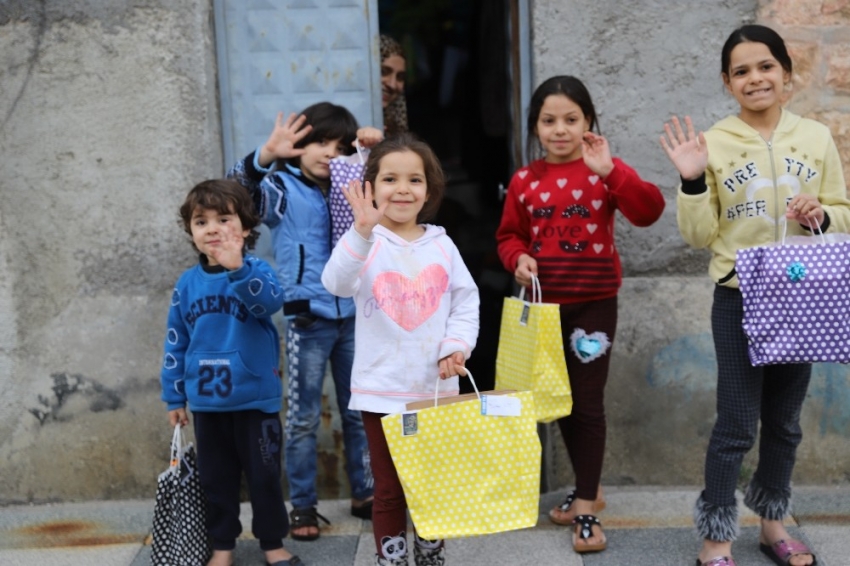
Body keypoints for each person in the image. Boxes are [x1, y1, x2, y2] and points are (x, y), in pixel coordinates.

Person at [660, 24, 850, 566]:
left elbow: (843, 212)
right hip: (740, 297)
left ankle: (772, 524)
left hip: (803, 295)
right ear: (727, 82)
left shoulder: (814, 138)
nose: (755, 78)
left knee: (785, 422)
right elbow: (698, 236)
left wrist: (822, 214)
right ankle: (717, 535)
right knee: (737, 424)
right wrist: (693, 181)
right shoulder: (714, 143)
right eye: (741, 71)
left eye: (765, 66)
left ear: (786, 74)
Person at [496, 75, 665, 554]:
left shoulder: (604, 171)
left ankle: (586, 507)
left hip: (594, 304)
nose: (560, 130)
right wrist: (518, 259)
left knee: (587, 403)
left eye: (571, 119)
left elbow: (649, 211)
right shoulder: (525, 181)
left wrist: (612, 171)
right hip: (543, 310)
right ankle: (588, 491)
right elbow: (509, 236)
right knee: (558, 401)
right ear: (535, 127)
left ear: (589, 122)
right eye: (549, 121)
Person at [321, 133, 480, 566]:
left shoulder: (442, 244)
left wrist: (456, 347)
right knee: (388, 490)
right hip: (381, 389)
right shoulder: (364, 242)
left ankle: (431, 556)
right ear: (370, 186)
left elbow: (465, 302)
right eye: (390, 178)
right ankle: (389, 559)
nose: (403, 189)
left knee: (432, 485)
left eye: (415, 179)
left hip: (434, 390)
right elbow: (336, 283)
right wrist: (360, 230)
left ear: (430, 189)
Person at [227, 103, 383, 541]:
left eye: (339, 145)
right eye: (318, 141)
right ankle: (303, 507)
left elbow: (399, 189)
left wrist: (375, 148)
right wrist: (263, 157)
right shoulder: (280, 188)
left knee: (359, 413)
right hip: (306, 320)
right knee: (302, 419)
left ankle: (365, 493)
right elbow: (238, 196)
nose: (328, 153)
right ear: (298, 146)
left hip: (354, 316)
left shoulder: (357, 184)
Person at [160, 179, 302, 566]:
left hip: (255, 401)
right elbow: (176, 342)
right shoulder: (187, 284)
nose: (213, 229)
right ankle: (222, 545)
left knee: (264, 479)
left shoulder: (258, 270)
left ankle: (272, 543)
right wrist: (175, 396)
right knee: (216, 483)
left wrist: (237, 269)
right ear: (191, 232)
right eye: (201, 221)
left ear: (245, 228)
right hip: (208, 405)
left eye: (224, 219)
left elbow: (269, 304)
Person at [380, 34, 408, 137]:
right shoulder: (339, 125)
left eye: (400, 77)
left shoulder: (395, 132)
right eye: (383, 71)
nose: (392, 85)